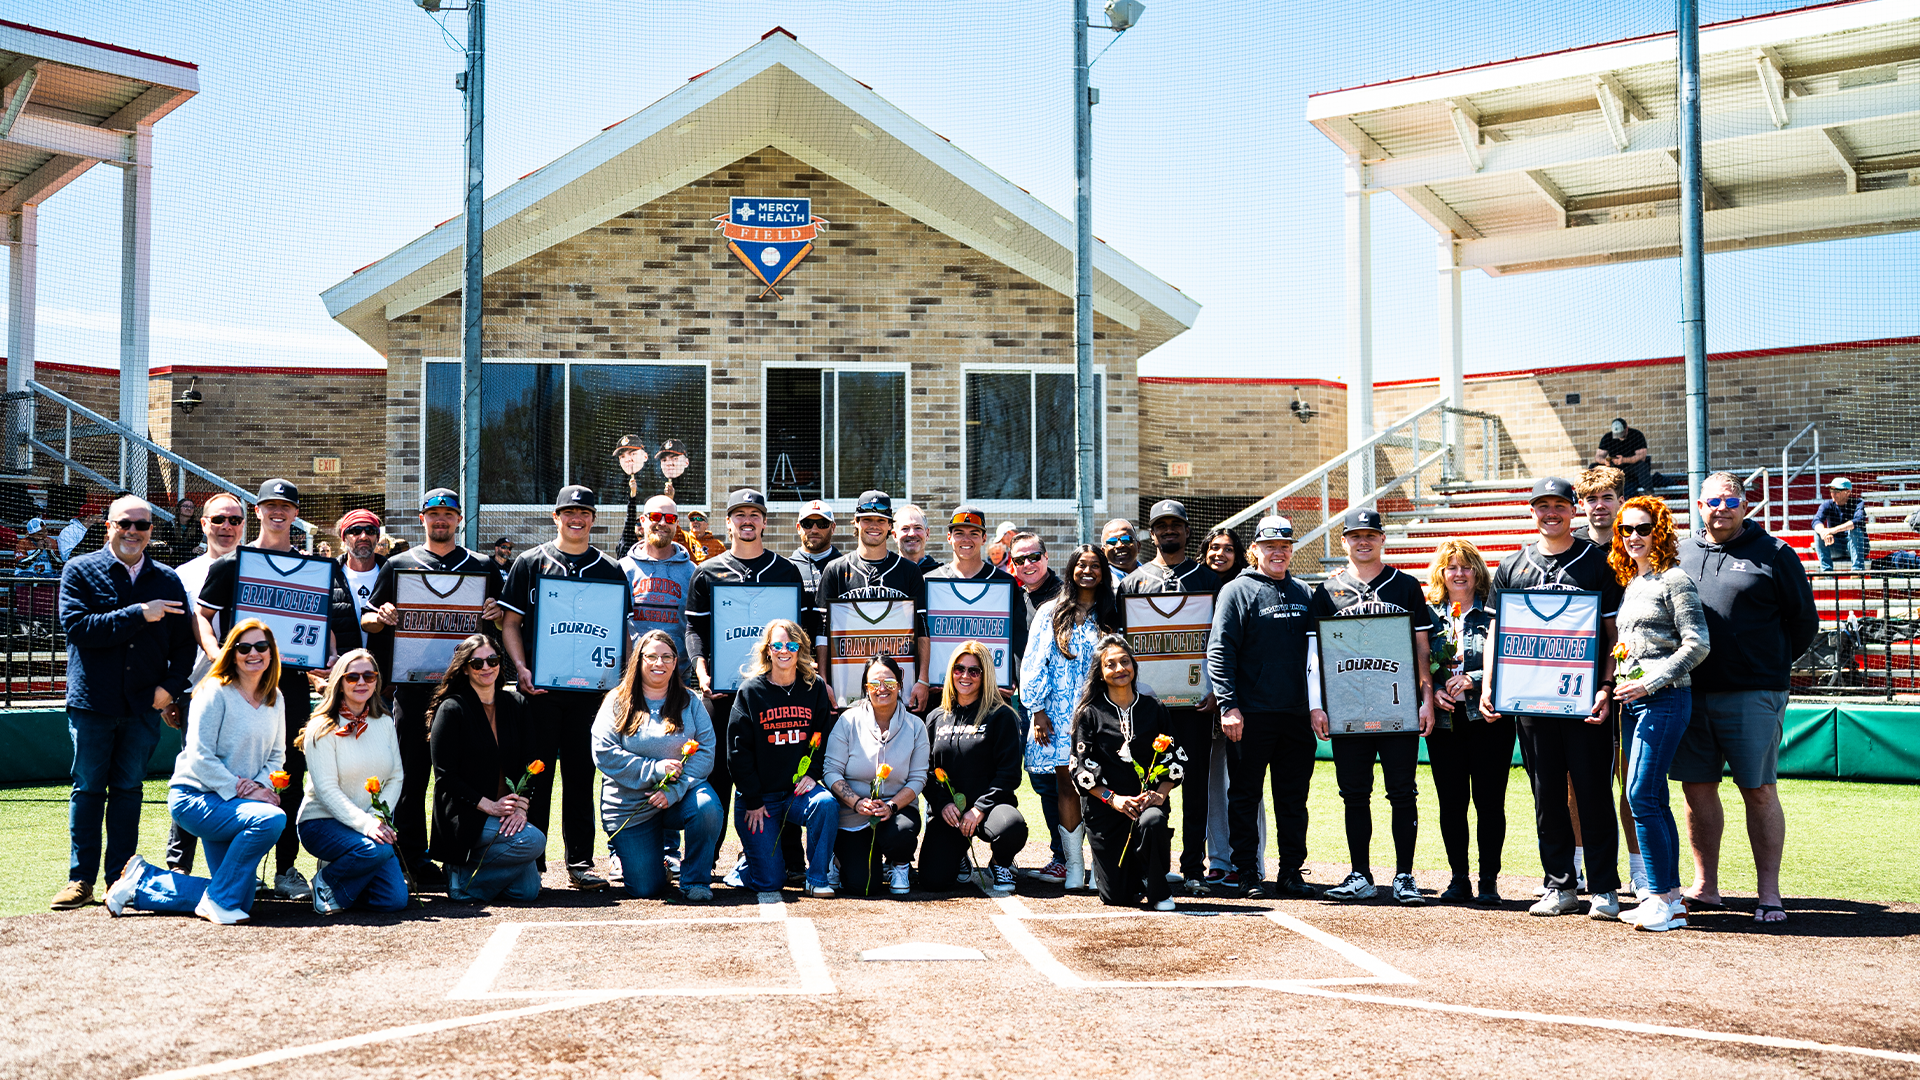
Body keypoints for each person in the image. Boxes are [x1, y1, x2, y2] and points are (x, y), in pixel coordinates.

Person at [193, 478, 357, 902]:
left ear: (295, 514)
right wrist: (217, 654)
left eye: (285, 506)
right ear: (258, 511)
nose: (277, 512)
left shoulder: (314, 568)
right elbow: (203, 615)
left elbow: (323, 626)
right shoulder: (233, 564)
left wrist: (329, 657)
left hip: (291, 684)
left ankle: (285, 869)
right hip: (240, 682)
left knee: (289, 773)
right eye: (270, 505)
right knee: (235, 769)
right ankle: (237, 866)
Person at [1480, 477, 1625, 920]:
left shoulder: (1597, 562)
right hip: (1530, 700)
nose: (1551, 513)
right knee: (1546, 797)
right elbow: (1495, 632)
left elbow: (1612, 633)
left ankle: (1604, 887)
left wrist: (1605, 686)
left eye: (1559, 505)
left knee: (1594, 793)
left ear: (1572, 510)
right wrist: (1489, 685)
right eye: (1542, 506)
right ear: (1532, 511)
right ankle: (1560, 885)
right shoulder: (1512, 565)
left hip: (1584, 701)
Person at [1676, 471, 1816, 926]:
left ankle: (1769, 894)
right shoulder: (1681, 551)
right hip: (1690, 691)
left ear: (1745, 506)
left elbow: (1804, 622)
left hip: (1753, 693)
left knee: (1757, 789)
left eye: (1731, 501)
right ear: (1700, 506)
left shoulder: (1775, 553)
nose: (1722, 508)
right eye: (1713, 501)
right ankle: (1706, 887)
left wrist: (1766, 665)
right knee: (1697, 788)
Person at [52, 494, 194, 910]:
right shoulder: (80, 569)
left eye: (142, 525)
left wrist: (170, 687)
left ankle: (119, 879)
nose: (133, 532)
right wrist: (139, 613)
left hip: (142, 705)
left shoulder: (166, 579)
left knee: (129, 791)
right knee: (88, 790)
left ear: (150, 530)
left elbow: (184, 645)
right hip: (93, 703)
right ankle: (80, 880)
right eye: (124, 524)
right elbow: (78, 628)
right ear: (109, 526)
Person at [359, 488, 506, 888]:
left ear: (459, 519)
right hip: (412, 688)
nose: (441, 520)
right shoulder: (399, 564)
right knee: (411, 775)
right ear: (422, 519)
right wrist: (381, 615)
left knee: (461, 776)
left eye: (449, 514)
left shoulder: (481, 565)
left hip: (465, 689)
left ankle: (458, 855)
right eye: (434, 513)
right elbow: (368, 620)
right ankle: (411, 859)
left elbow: (506, 622)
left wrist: (496, 613)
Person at [102, 620, 288, 924]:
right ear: (232, 654)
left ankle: (141, 882)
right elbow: (200, 756)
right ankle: (216, 900)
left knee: (240, 899)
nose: (253, 653)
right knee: (271, 818)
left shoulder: (275, 697)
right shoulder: (214, 691)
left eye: (261, 646)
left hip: (236, 803)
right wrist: (243, 789)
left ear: (271, 652)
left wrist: (256, 787)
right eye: (244, 647)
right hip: (195, 798)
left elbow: (277, 756)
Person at [498, 484, 628, 890]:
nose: (577, 518)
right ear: (556, 517)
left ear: (593, 519)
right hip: (539, 690)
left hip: (590, 694)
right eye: (569, 512)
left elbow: (620, 632)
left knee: (580, 775)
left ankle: (580, 862)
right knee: (534, 775)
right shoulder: (529, 562)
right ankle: (530, 861)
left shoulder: (610, 568)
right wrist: (520, 668)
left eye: (584, 513)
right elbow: (510, 624)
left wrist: (620, 680)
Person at [1308, 508, 1435, 906]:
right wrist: (1317, 705)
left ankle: (1404, 876)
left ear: (1382, 539)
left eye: (1370, 535)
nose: (1363, 541)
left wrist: (1426, 699)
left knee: (1403, 793)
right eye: (1355, 536)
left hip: (1398, 704)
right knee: (1354, 793)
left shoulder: (1405, 585)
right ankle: (1360, 874)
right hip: (1347, 708)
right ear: (1344, 541)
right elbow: (1315, 655)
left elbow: (1422, 648)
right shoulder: (1327, 591)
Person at [684, 489, 806, 863]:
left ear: (764, 522)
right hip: (722, 692)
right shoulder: (708, 572)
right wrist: (702, 671)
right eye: (740, 514)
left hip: (775, 693)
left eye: (754, 514)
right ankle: (706, 860)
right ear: (728, 522)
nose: (747, 521)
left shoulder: (786, 571)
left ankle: (788, 858)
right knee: (717, 775)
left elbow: (798, 635)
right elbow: (694, 629)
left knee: (781, 771)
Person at [1608, 496, 1710, 932]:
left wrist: (1650, 682)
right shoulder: (1634, 582)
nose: (1634, 536)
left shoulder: (1675, 579)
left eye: (1643, 528)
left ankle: (1660, 898)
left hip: (1665, 699)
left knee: (1641, 796)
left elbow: (1698, 644)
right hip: (1633, 702)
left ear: (1660, 532)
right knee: (1649, 797)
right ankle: (1670, 900)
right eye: (1626, 529)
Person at [1207, 515, 1316, 900]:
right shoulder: (1236, 591)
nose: (1278, 552)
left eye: (1285, 546)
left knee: (1293, 799)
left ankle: (1291, 872)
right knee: (1244, 797)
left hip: (1296, 715)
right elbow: (1220, 651)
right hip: (1251, 714)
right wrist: (1229, 706)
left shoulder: (1303, 591)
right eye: (1270, 546)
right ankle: (1247, 871)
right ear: (1255, 549)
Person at [1117, 499, 1221, 890]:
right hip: (1147, 707)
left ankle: (1193, 868)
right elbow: (1121, 648)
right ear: (1152, 533)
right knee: (1149, 783)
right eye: (1161, 525)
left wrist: (1215, 690)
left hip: (1196, 705)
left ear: (1188, 530)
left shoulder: (1209, 580)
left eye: (1175, 524)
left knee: (1194, 787)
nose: (1168, 531)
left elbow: (1220, 644)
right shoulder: (1133, 583)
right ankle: (1152, 864)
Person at [592, 629, 721, 900]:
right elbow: (603, 751)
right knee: (646, 889)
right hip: (632, 806)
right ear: (638, 660)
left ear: (675, 663)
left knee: (707, 807)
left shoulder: (690, 702)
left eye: (666, 657)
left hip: (679, 797)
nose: (659, 663)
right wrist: (655, 769)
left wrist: (675, 789)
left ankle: (695, 881)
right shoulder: (617, 700)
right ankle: (654, 864)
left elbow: (706, 751)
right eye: (651, 656)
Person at [1020, 543, 1120, 891]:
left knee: (1098, 787)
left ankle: (1099, 867)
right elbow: (1033, 663)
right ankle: (1074, 867)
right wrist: (1037, 710)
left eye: (1095, 566)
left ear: (1103, 573)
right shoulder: (1051, 612)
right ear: (1071, 571)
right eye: (1081, 565)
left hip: (1101, 715)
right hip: (1058, 714)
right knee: (1066, 787)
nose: (1087, 571)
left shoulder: (1112, 614)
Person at [1423, 539, 1510, 906]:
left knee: (1490, 803)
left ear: (1478, 571)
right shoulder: (1428, 614)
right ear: (1441, 573)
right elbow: (1416, 660)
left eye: (1466, 566)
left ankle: (1488, 880)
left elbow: (1510, 658)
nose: (1459, 573)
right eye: (1452, 567)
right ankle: (1459, 878)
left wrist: (1475, 679)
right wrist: (1433, 690)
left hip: (1489, 719)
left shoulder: (1495, 612)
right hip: (1445, 723)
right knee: (1452, 803)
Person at [165, 491, 248, 875]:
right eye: (218, 519)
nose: (226, 527)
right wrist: (171, 691)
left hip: (250, 693)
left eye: (234, 520)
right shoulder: (183, 576)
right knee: (192, 775)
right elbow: (171, 640)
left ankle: (238, 870)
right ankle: (178, 866)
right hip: (197, 689)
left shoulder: (258, 567)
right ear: (203, 524)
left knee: (243, 778)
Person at [427, 634, 544, 904]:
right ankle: (459, 869)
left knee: (526, 892)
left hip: (508, 811)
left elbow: (531, 763)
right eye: (477, 663)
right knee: (533, 841)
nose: (486, 667)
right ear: (465, 668)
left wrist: (521, 806)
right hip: (467, 813)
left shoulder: (516, 704)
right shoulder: (452, 708)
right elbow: (445, 777)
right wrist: (489, 806)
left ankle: (466, 878)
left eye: (492, 660)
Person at [1070, 634, 1185, 909]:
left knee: (1153, 821)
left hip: (1146, 807)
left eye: (1125, 661)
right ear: (1100, 673)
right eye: (1110, 664)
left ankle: (1158, 888)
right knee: (1117, 898)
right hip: (1106, 812)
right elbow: (1079, 770)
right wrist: (1114, 799)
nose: (1120, 669)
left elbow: (1176, 759)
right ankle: (1134, 874)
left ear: (1134, 665)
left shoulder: (1154, 708)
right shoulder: (1089, 713)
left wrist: (1159, 795)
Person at [726, 620, 837, 897]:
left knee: (825, 804)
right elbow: (737, 753)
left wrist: (813, 773)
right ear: (768, 650)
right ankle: (747, 865)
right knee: (770, 882)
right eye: (777, 645)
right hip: (759, 801)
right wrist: (753, 799)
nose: (784, 650)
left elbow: (822, 736)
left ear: (800, 649)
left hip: (795, 795)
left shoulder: (815, 688)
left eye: (791, 645)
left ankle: (817, 878)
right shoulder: (750, 691)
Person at [294, 650, 409, 914]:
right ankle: (326, 881)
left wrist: (377, 818)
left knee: (394, 900)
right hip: (322, 822)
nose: (361, 682)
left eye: (369, 676)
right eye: (352, 677)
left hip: (370, 824)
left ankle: (345, 875)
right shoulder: (322, 727)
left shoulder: (384, 722)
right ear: (339, 681)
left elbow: (396, 776)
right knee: (377, 851)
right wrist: (366, 825)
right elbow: (326, 790)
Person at [1577, 465, 1642, 894]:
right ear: (1581, 506)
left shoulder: (1637, 543)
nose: (1599, 506)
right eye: (1591, 499)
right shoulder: (1569, 549)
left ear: (1621, 501)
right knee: (1577, 779)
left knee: (1631, 779)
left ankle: (1640, 870)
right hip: (1579, 678)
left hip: (1632, 679)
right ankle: (1577, 868)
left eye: (1607, 498)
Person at [920, 640, 1028, 894]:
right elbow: (925, 772)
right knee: (933, 881)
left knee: (1011, 827)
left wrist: (979, 809)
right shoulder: (936, 717)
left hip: (990, 809)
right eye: (959, 669)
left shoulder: (1002, 716)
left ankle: (1000, 863)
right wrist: (942, 804)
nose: (965, 676)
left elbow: (1009, 774)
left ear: (985, 674)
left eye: (974, 671)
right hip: (950, 812)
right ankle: (959, 853)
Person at [815, 490, 931, 711]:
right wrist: (824, 681)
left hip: (897, 687)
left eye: (881, 520)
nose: (874, 525)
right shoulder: (836, 570)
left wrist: (923, 680)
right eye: (867, 519)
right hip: (846, 688)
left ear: (890, 526)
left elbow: (922, 627)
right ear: (856, 522)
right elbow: (822, 630)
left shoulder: (909, 571)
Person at [824, 654, 930, 896]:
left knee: (901, 834)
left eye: (889, 683)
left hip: (896, 811)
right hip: (853, 814)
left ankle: (899, 865)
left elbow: (918, 779)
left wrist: (891, 806)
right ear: (865, 687)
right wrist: (856, 802)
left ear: (900, 684)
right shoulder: (847, 721)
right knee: (862, 886)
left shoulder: (916, 726)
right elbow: (831, 772)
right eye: (874, 684)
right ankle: (838, 860)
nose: (882, 689)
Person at [1007, 531, 1067, 881]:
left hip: (1059, 704)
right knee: (1042, 780)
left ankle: (1068, 857)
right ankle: (1061, 855)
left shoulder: (1064, 596)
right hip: (1023, 701)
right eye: (1020, 559)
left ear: (1046, 557)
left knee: (1065, 781)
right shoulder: (1015, 597)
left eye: (1034, 557)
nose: (1028, 564)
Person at [923, 503, 1029, 671]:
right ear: (949, 537)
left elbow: (1019, 637)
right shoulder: (930, 582)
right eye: (959, 533)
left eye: (974, 533)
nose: (966, 539)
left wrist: (1013, 677)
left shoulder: (1005, 583)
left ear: (984, 538)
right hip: (940, 683)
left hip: (993, 683)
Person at [621, 494, 696, 660]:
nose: (662, 523)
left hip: (679, 671)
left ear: (676, 524)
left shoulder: (692, 573)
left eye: (670, 518)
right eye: (655, 516)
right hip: (634, 671)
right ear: (642, 520)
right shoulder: (623, 570)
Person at [790, 498, 840, 647]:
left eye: (822, 524)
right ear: (798, 527)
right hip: (795, 653)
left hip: (835, 653)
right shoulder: (788, 568)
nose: (814, 530)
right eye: (807, 524)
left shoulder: (843, 567)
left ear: (833, 528)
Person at [1811, 477, 1869, 573]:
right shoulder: (1826, 505)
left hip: (1857, 547)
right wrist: (1824, 533)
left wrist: (1832, 530)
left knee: (1855, 530)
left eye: (1837, 491)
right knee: (1818, 533)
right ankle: (1827, 572)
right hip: (1835, 546)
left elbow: (1858, 521)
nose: (1833, 493)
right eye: (1831, 490)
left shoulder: (1858, 503)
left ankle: (1857, 571)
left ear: (1848, 492)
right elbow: (1816, 521)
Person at [1594, 418, 1651, 497]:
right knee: (1593, 467)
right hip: (1613, 467)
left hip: (1631, 467)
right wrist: (1605, 461)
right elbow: (1598, 456)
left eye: (1621, 433)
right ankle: (1591, 492)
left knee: (1642, 466)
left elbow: (1642, 456)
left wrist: (1624, 460)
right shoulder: (1608, 437)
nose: (1619, 436)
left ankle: (1649, 493)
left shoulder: (1637, 435)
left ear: (1626, 428)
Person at [894, 503, 938, 572]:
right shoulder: (885, 573)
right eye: (905, 528)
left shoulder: (940, 574)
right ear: (895, 535)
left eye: (918, 528)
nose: (912, 534)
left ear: (927, 534)